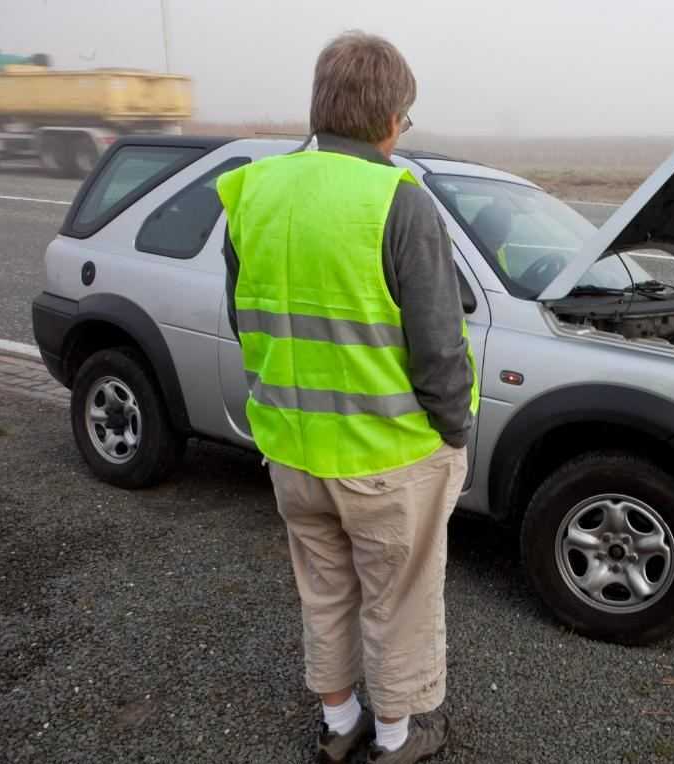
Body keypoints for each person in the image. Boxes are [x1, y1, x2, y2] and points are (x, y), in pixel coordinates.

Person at [217, 31, 478, 763]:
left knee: (325, 591)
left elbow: (246, 322)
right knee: (400, 602)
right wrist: (455, 432)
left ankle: (338, 726)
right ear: (392, 118)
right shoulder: (400, 201)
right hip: (389, 458)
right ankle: (398, 737)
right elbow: (439, 349)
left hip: (293, 452)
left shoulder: (252, 191)